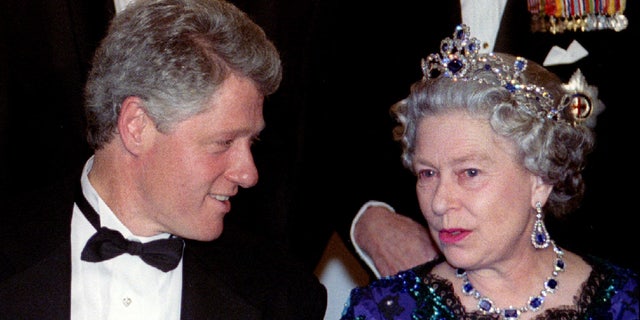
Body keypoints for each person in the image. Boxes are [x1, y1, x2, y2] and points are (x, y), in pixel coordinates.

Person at [0, 0, 327, 318]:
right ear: (136, 125)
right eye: (223, 142)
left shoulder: (283, 296)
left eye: (251, 141)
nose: (248, 174)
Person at [340, 25, 639, 319]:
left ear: (541, 179)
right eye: (427, 174)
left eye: (470, 173)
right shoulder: (381, 310)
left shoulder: (625, 304)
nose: (439, 202)